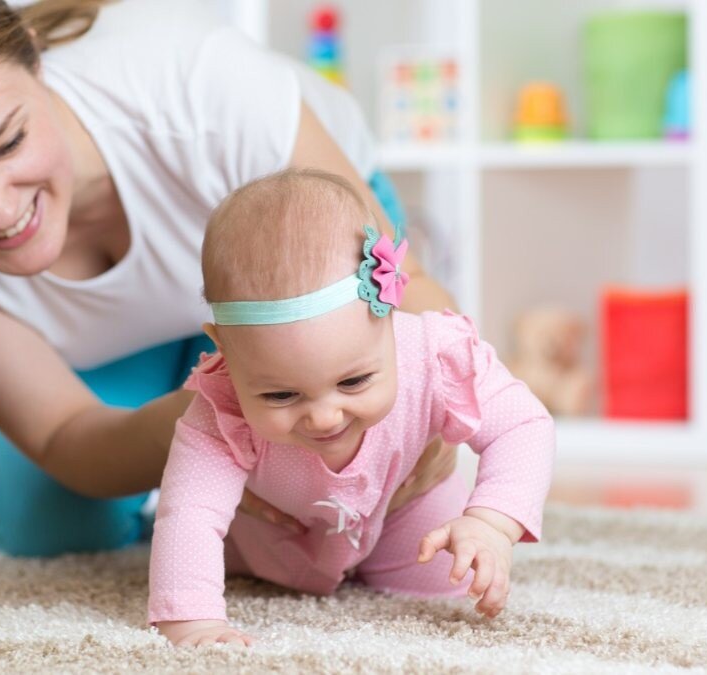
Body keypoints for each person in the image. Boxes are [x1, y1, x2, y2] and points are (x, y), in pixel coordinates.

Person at [0, 0, 459, 557]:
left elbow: (410, 285)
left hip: (302, 283)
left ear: (35, 60)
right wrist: (196, 434)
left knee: (373, 510)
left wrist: (426, 420)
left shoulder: (197, 83)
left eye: (8, 142)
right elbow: (65, 435)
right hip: (135, 347)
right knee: (49, 530)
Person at [148, 169, 555, 647]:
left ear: (389, 316)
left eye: (353, 381)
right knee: (206, 558)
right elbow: (190, 511)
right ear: (224, 349)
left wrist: (490, 523)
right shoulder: (222, 408)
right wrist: (193, 621)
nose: (325, 417)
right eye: (280, 395)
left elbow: (522, 424)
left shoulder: (435, 354)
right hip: (274, 537)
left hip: (407, 511)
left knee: (460, 585)